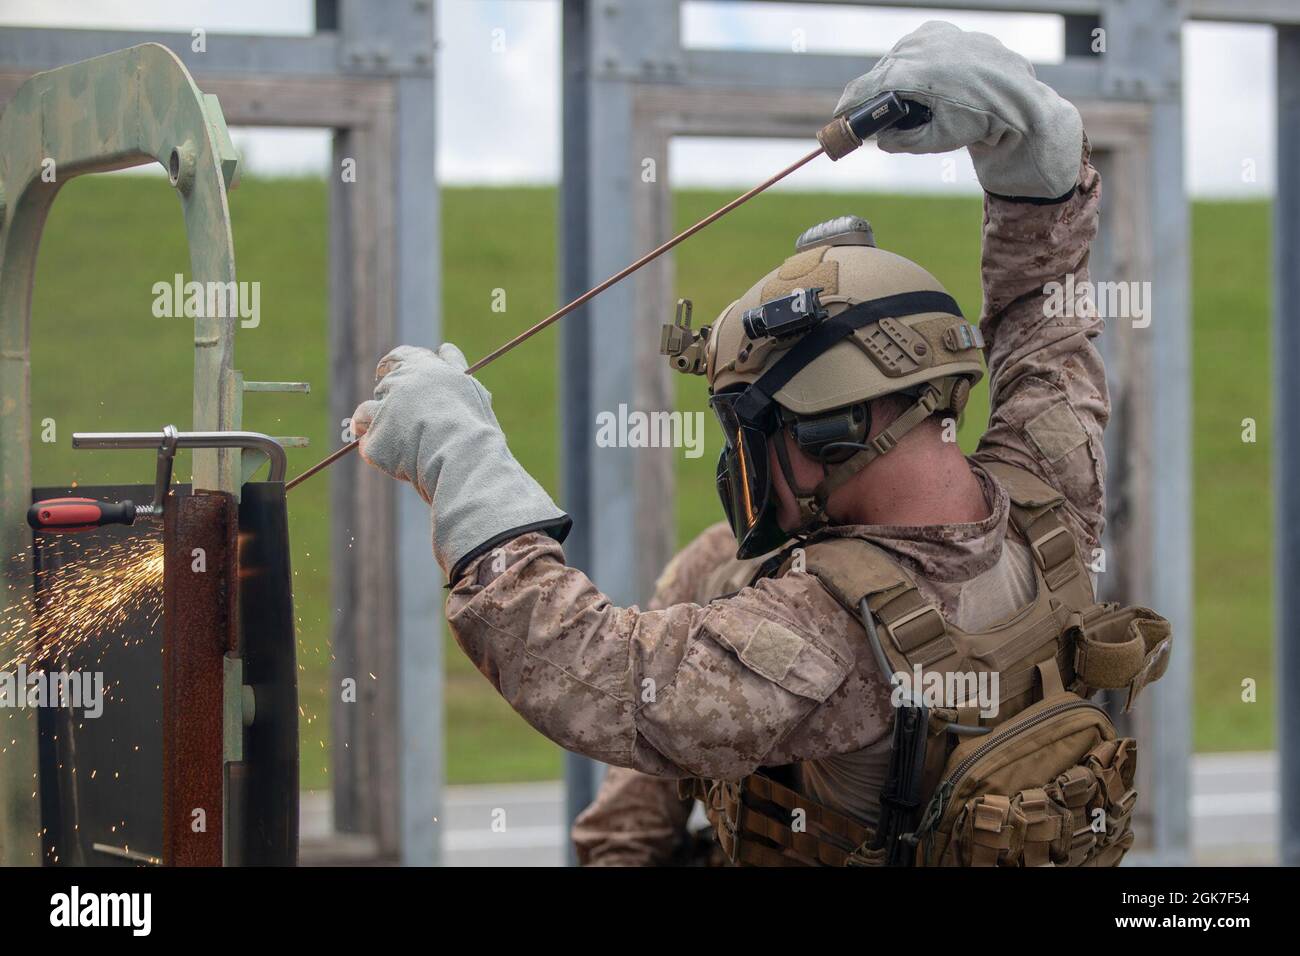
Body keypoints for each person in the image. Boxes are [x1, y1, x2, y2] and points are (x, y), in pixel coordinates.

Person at [351, 21, 1170, 867]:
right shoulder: (1051, 501)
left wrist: (464, 467)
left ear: (825, 428)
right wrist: (1032, 151)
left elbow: (592, 673)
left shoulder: (828, 636)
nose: (740, 461)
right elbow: (1046, 317)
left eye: (750, 428)